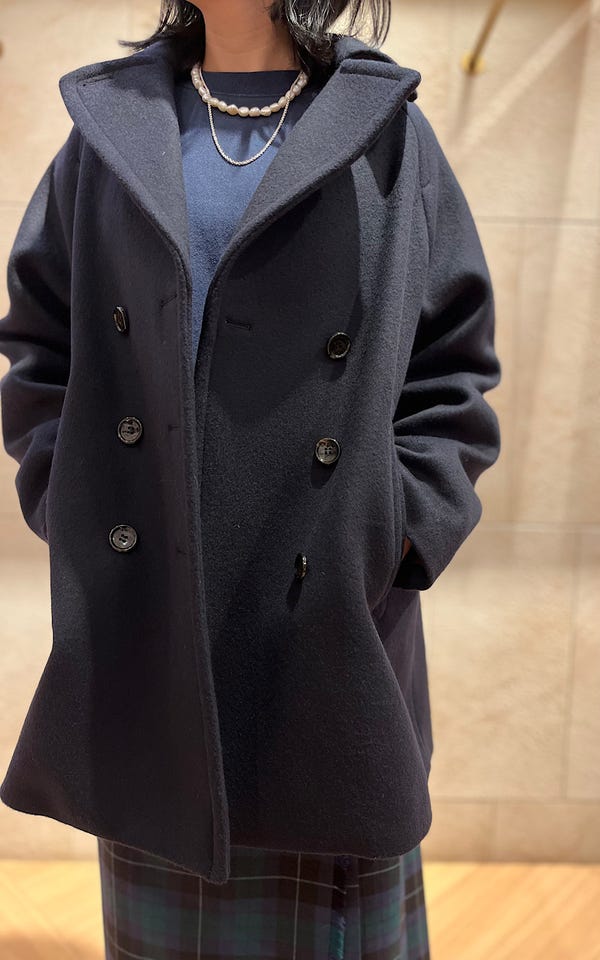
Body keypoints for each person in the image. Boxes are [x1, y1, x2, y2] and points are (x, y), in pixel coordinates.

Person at [0, 0, 502, 957]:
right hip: (152, 615)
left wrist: (392, 531)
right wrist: (73, 496)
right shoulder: (113, 128)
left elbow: (452, 365)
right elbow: (40, 341)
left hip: (320, 619)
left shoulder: (382, 129)